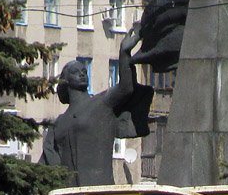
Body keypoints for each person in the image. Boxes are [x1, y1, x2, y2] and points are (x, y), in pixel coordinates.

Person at [39, 25, 153, 185]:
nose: (82, 73)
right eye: (75, 72)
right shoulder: (59, 123)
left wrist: (124, 54)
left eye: (84, 71)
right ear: (65, 81)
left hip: (98, 194)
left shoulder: (101, 104)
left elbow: (126, 87)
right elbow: (47, 162)